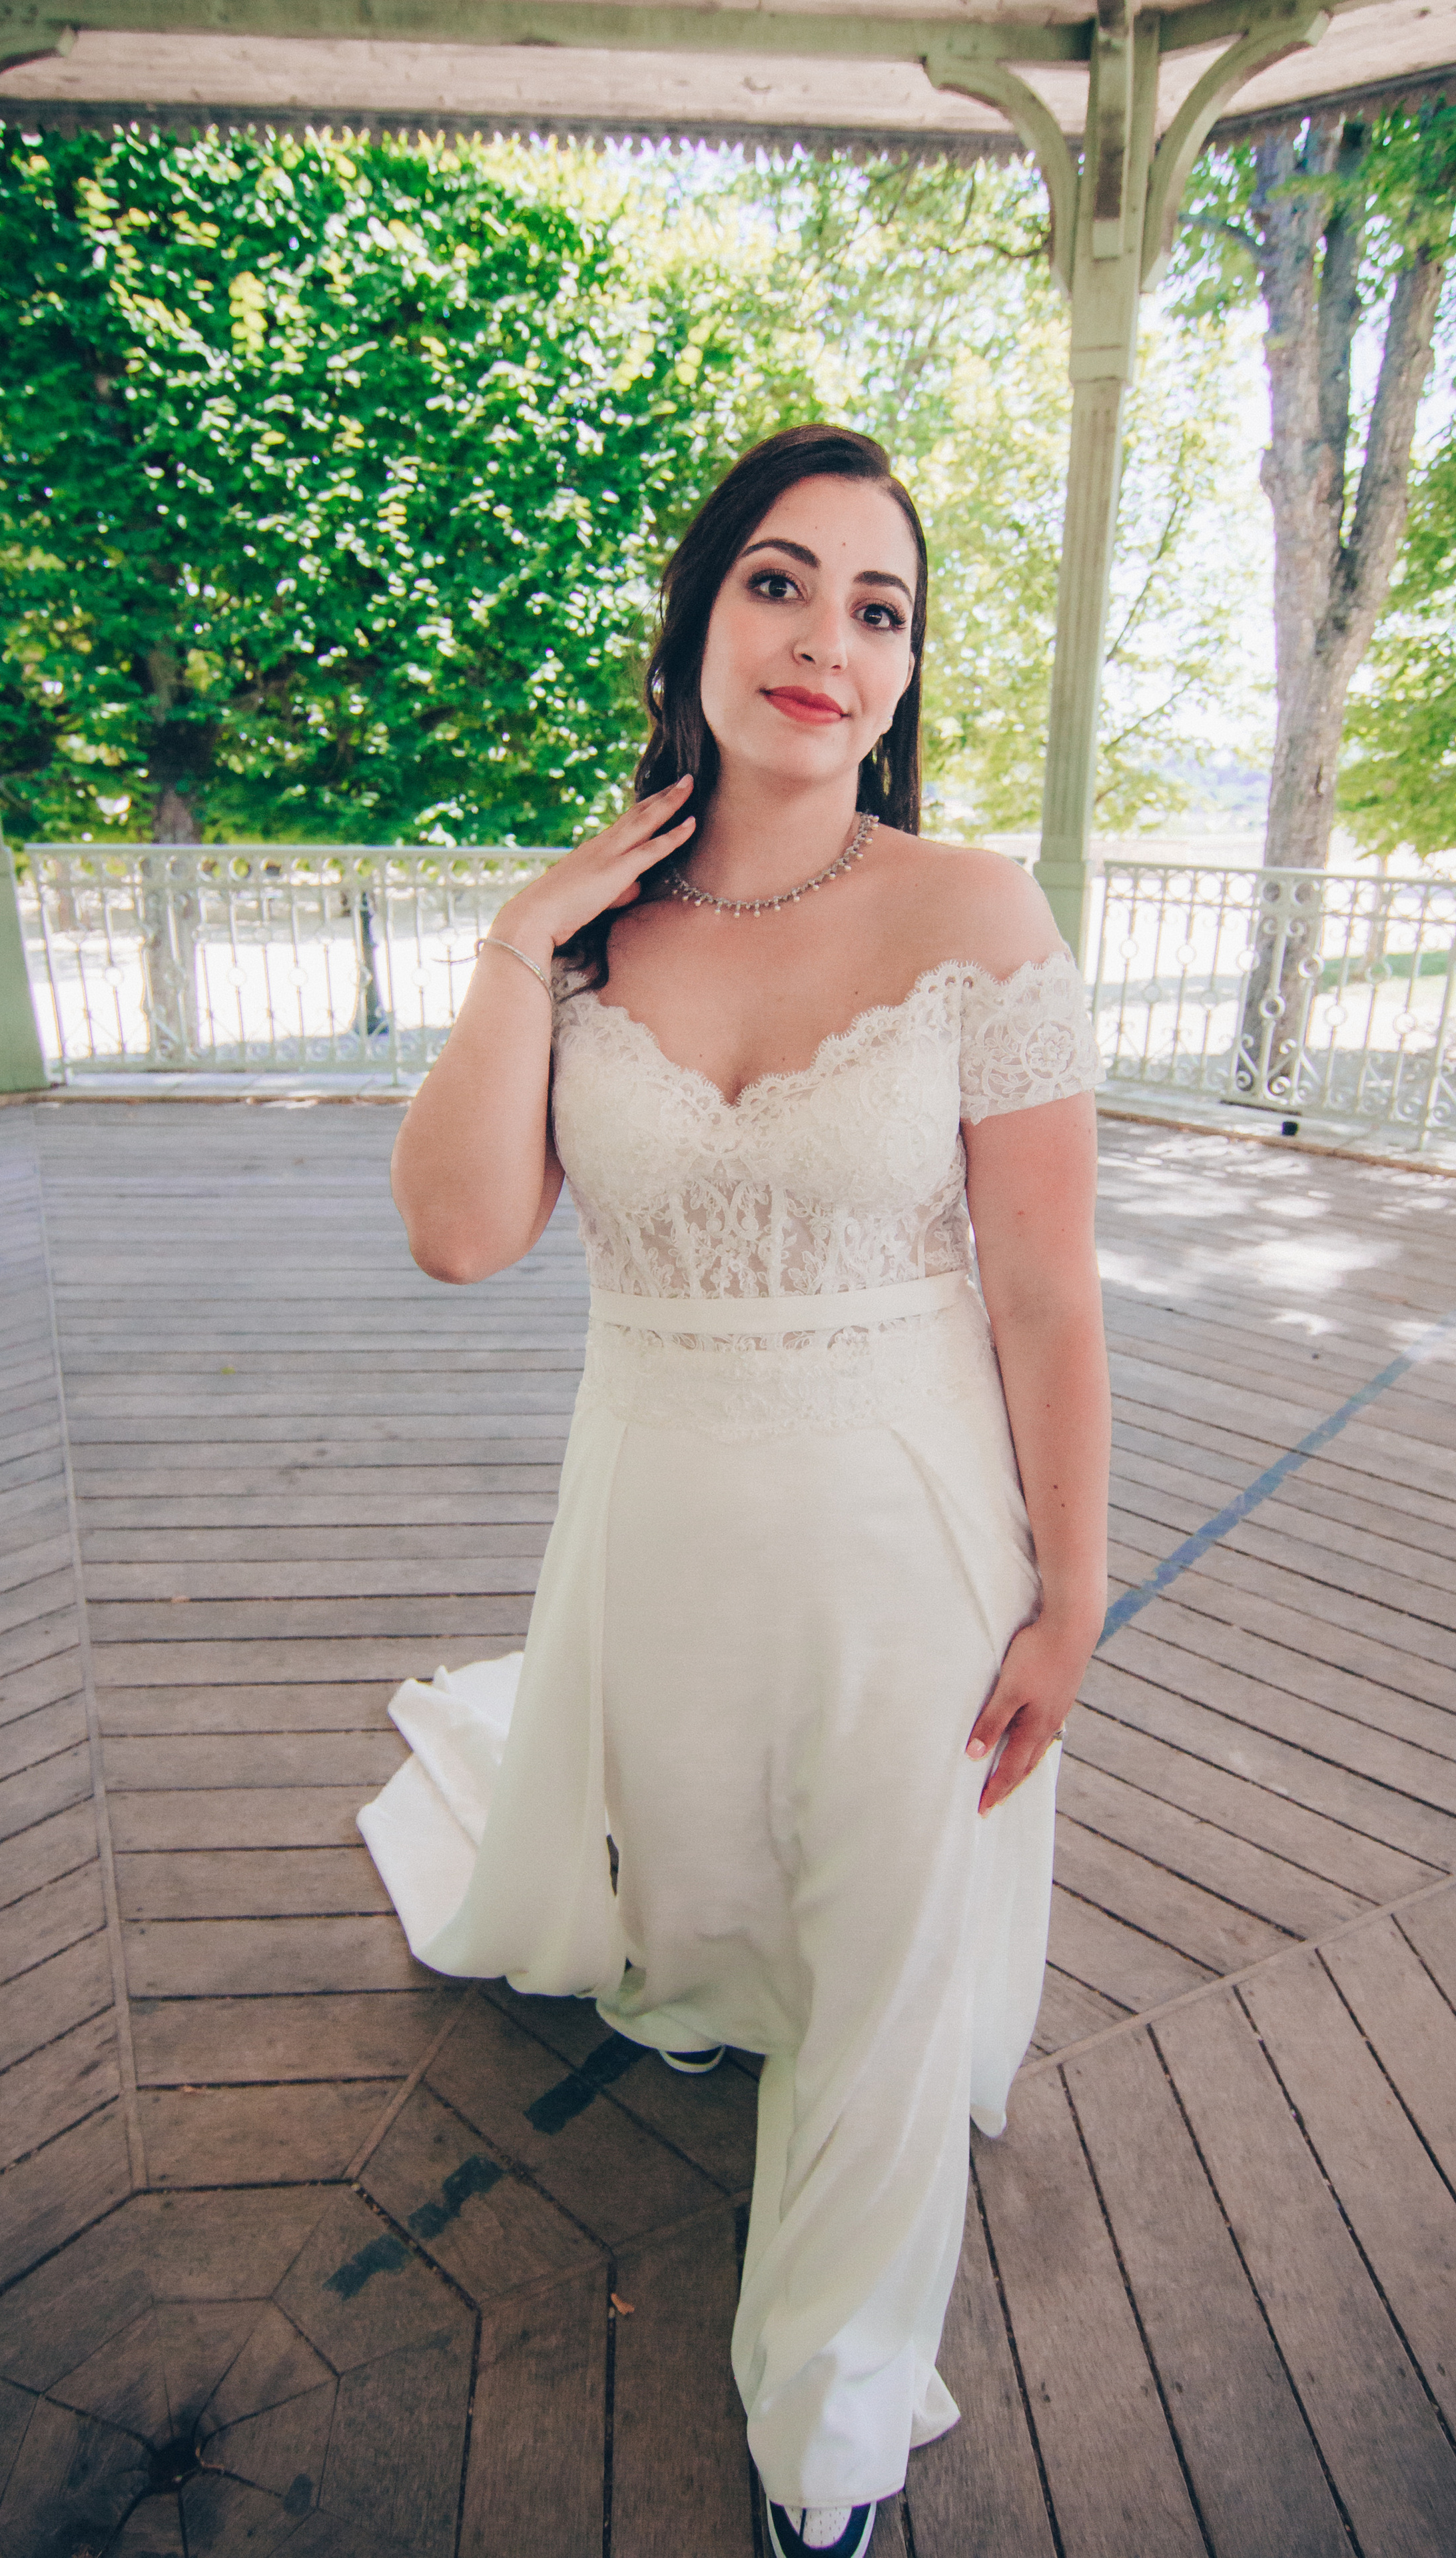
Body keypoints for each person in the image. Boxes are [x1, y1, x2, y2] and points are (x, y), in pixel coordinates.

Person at [359, 424, 1109, 2558]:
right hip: (657, 1512)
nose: (827, 642)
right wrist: (521, 935)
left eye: (881, 611)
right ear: (701, 616)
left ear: (903, 674)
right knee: (694, 1859)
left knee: (884, 1955)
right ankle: (712, 1982)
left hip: (909, 1532)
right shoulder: (596, 933)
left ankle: (836, 2417)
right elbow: (455, 1232)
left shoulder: (975, 910)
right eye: (782, 584)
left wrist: (1075, 1592)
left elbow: (1049, 1291)